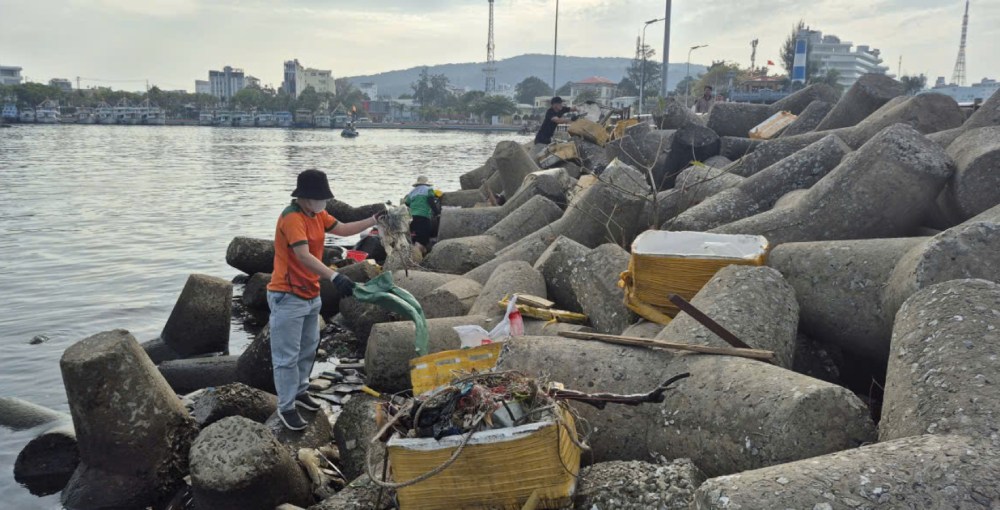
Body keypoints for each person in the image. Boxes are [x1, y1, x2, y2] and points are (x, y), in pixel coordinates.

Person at [267, 169, 381, 430]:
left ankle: (300, 391)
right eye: (320, 198)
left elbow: (342, 229)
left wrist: (373, 220)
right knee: (286, 355)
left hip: (310, 293)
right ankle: (285, 407)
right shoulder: (292, 217)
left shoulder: (318, 214)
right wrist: (334, 277)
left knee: (308, 348)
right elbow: (303, 255)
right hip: (287, 294)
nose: (324, 202)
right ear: (306, 197)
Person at [404, 175, 442, 255]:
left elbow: (407, 203)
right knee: (423, 237)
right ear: (426, 183)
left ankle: (415, 252)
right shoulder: (429, 189)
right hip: (423, 216)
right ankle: (417, 255)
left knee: (415, 236)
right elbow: (431, 201)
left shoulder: (412, 192)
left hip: (412, 217)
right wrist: (437, 212)